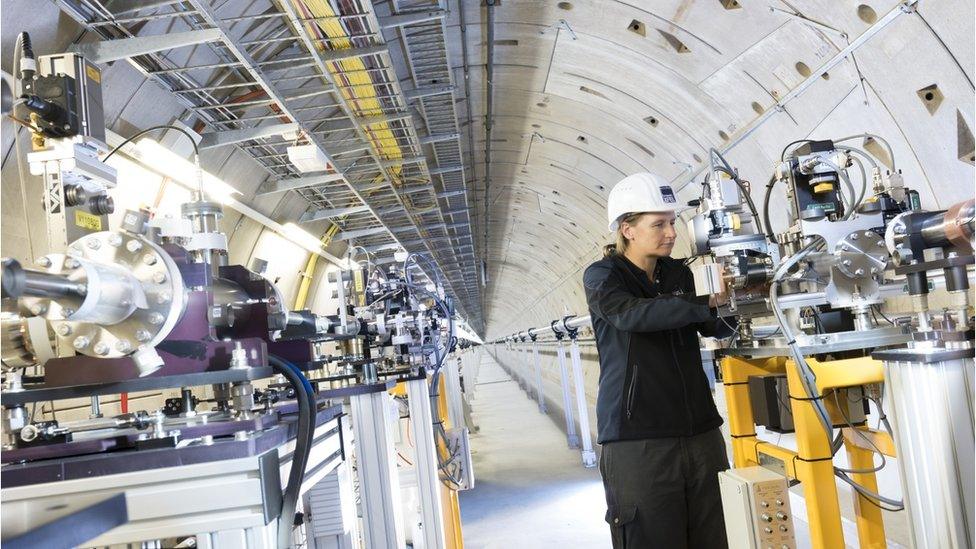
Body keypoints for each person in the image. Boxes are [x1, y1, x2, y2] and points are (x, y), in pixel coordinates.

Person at [583, 172, 735, 549]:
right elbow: (633, 315)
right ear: (628, 229)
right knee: (650, 537)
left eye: (672, 223)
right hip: (638, 439)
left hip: (700, 432)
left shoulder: (679, 273)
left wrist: (736, 300)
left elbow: (713, 326)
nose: (670, 232)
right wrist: (704, 302)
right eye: (659, 224)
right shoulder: (603, 277)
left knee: (714, 535)